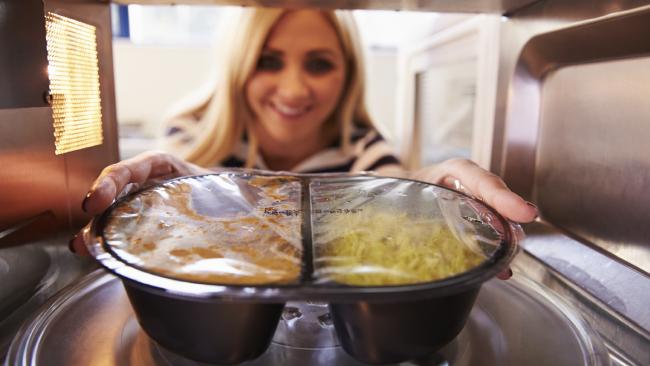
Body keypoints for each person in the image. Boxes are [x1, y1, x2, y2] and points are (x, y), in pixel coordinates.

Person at [69, 8, 537, 280]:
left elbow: (394, 190)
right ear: (238, 66)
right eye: (269, 62)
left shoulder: (366, 151)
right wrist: (177, 199)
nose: (293, 90)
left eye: (318, 64)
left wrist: (434, 195)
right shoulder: (186, 140)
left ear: (348, 74)